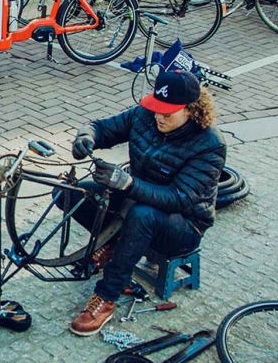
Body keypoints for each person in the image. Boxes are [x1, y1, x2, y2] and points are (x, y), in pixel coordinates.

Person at [67, 69, 226, 336]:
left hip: (184, 225)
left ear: (191, 110)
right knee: (71, 193)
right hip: (138, 200)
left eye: (167, 113)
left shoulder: (210, 145)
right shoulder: (146, 115)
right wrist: (86, 137)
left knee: (143, 215)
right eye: (156, 109)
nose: (158, 117)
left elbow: (179, 198)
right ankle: (113, 246)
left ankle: (106, 297)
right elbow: (102, 127)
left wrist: (128, 184)